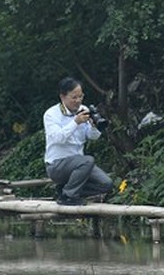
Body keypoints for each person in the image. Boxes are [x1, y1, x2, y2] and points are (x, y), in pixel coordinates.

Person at [43, 77, 112, 206]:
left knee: (106, 184)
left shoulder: (83, 109)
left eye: (80, 97)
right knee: (88, 160)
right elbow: (59, 138)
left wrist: (94, 126)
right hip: (57, 166)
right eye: (74, 98)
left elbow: (91, 137)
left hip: (79, 165)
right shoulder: (51, 114)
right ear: (63, 97)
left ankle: (65, 191)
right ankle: (69, 196)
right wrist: (75, 122)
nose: (78, 101)